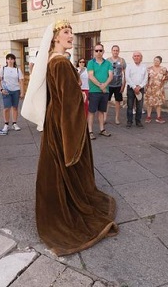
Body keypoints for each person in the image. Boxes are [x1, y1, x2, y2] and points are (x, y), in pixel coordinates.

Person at [21, 20, 118, 256]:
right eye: (66, 32)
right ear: (55, 38)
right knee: (67, 162)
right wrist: (72, 140)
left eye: (71, 32)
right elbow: (68, 103)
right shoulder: (61, 63)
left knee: (55, 167)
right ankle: (67, 208)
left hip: (56, 120)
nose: (70, 36)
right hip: (65, 123)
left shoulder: (54, 61)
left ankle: (60, 202)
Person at [87, 43, 113, 140]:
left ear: (103, 51)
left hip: (104, 91)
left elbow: (110, 76)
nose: (98, 52)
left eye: (100, 50)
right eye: (96, 50)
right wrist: (100, 86)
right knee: (91, 111)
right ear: (94, 52)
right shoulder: (91, 63)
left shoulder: (108, 63)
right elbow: (91, 76)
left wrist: (104, 85)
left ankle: (102, 129)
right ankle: (90, 131)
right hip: (94, 91)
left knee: (102, 111)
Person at [0, 53, 25, 133]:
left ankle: (14, 123)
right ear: (6, 60)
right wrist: (1, 89)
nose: (10, 61)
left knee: (15, 107)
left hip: (16, 90)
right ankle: (6, 124)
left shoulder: (17, 70)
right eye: (8, 59)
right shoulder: (3, 69)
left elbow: (21, 81)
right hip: (6, 90)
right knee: (7, 108)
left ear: (14, 60)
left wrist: (22, 92)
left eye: (11, 59)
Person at [144, 55, 168, 123]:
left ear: (160, 62)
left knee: (158, 104)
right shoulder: (149, 69)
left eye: (157, 61)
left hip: (159, 89)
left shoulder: (163, 69)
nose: (156, 62)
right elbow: (145, 78)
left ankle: (159, 117)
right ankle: (148, 117)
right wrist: (146, 85)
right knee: (149, 103)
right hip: (150, 88)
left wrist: (163, 82)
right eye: (155, 60)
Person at [125, 51, 148, 128]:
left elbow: (145, 78)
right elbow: (127, 77)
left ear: (141, 57)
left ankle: (138, 121)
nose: (136, 57)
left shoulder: (144, 67)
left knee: (139, 106)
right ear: (133, 57)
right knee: (130, 106)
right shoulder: (129, 66)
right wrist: (134, 87)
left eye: (138, 56)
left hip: (140, 88)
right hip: (131, 88)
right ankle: (129, 122)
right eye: (135, 56)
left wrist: (140, 86)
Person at [105, 45, 126, 125]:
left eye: (117, 50)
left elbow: (124, 73)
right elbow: (105, 72)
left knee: (117, 102)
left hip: (118, 84)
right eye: (114, 50)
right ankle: (104, 117)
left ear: (119, 51)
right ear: (111, 51)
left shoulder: (122, 60)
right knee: (106, 101)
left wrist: (123, 85)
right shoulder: (107, 61)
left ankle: (117, 118)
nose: (115, 52)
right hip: (109, 84)